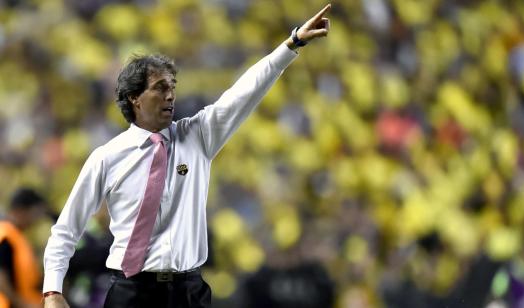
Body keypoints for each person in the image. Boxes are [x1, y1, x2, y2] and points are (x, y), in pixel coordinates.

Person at [43, 4, 331, 308]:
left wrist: (292, 44)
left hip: (188, 291)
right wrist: (52, 290)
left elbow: (244, 94)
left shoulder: (198, 136)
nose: (170, 95)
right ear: (134, 98)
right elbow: (66, 230)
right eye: (160, 87)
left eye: (172, 87)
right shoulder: (107, 157)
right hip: (131, 293)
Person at [0, 188, 48, 308]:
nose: (35, 218)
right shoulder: (6, 235)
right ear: (20, 211)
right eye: (34, 212)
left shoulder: (18, 235)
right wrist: (23, 304)